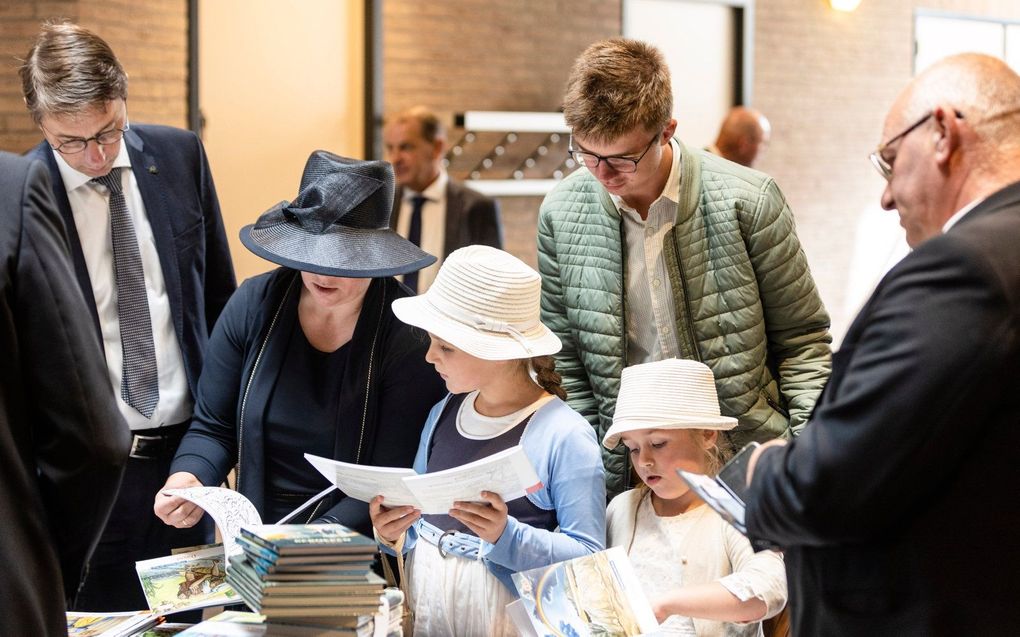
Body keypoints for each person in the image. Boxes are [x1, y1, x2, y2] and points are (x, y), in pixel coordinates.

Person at [744, 53, 1020, 636]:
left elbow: (829, 485)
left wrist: (765, 470)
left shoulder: (965, 268)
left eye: (890, 162)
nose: (886, 197)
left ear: (943, 133)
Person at [537, 38, 832, 497]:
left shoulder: (748, 201)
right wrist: (591, 470)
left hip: (746, 460)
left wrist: (803, 454)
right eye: (586, 154)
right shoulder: (561, 212)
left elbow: (802, 343)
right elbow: (568, 361)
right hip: (628, 471)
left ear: (667, 130)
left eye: (622, 158)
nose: (603, 174)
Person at [19, 21, 236, 612]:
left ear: (125, 99)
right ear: (40, 122)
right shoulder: (21, 196)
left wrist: (214, 450)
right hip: (86, 474)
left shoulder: (179, 154)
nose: (95, 156)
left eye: (110, 131)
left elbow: (218, 300)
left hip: (184, 467)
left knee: (191, 620)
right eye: (73, 141)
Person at [155, 151, 447, 538]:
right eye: (313, 254)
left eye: (343, 260)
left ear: (373, 258)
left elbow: (389, 475)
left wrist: (305, 545)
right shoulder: (254, 304)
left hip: (352, 541)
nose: (322, 273)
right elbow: (214, 426)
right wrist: (188, 477)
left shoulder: (406, 337)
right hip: (255, 529)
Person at [370, 245, 606, 636]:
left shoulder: (564, 434)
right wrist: (392, 530)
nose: (430, 357)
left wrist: (505, 535)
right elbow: (420, 512)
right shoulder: (443, 412)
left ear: (496, 352)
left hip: (507, 618)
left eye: (445, 346)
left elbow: (588, 557)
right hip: (430, 609)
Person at [0, 151, 130, 633]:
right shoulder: (12, 188)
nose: (95, 153)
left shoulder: (181, 158)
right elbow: (94, 439)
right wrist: (42, 557)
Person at [604, 358, 786, 636]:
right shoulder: (622, 508)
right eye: (633, 448)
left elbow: (768, 588)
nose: (645, 461)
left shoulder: (732, 512)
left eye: (658, 443)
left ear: (707, 434)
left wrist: (668, 604)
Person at [384, 106, 503, 292]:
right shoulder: (381, 205)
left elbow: (492, 285)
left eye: (406, 147)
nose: (395, 158)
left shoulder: (477, 208)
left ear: (437, 147)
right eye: (390, 148)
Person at [707, 106, 772, 168]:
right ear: (744, 145)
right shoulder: (705, 171)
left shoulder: (704, 163)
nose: (764, 150)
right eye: (763, 143)